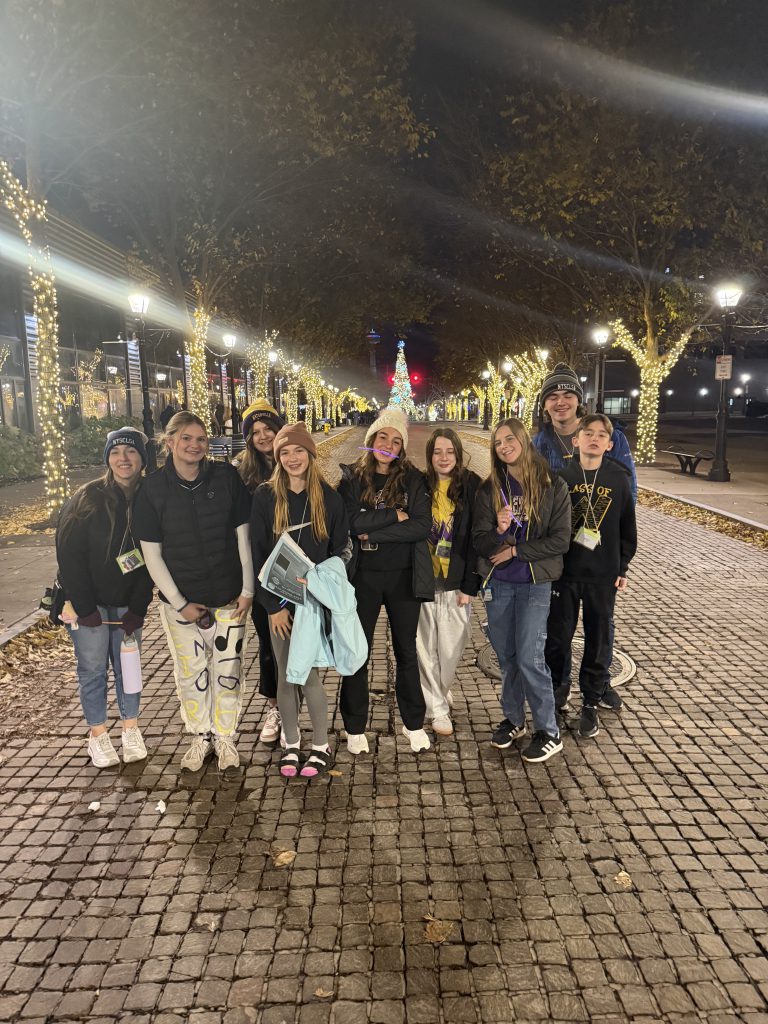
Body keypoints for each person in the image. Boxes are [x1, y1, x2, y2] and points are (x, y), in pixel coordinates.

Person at [133, 411, 254, 771]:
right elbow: (151, 554)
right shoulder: (152, 489)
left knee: (228, 668)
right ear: (169, 442)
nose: (194, 445)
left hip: (229, 596)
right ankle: (200, 735)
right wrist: (179, 602)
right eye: (186, 438)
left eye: (201, 438)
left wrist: (247, 589)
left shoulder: (225, 476)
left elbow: (243, 535)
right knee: (191, 671)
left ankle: (225, 735)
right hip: (181, 605)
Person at [250, 422, 350, 777]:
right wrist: (273, 608)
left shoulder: (329, 498)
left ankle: (320, 746)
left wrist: (323, 586)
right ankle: (291, 744)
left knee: (309, 676)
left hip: (312, 606)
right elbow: (257, 555)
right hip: (278, 606)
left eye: (299, 451)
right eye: (285, 452)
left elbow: (341, 552)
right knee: (284, 676)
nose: (292, 458)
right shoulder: (265, 497)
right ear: (277, 457)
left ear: (310, 454)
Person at [472, 417, 571, 764]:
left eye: (509, 439)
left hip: (533, 583)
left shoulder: (551, 485)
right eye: (498, 442)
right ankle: (514, 720)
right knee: (507, 658)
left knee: (530, 656)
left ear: (524, 441)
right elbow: (479, 540)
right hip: (498, 585)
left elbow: (560, 540)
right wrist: (498, 532)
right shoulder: (490, 489)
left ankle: (548, 730)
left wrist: (515, 550)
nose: (504, 446)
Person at [338, 406, 434, 755]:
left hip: (402, 577)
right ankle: (353, 724)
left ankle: (413, 722)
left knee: (406, 650)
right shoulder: (351, 478)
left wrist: (373, 528)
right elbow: (349, 522)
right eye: (383, 437)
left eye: (396, 441)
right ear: (371, 439)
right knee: (357, 651)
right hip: (362, 578)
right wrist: (394, 515)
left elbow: (422, 526)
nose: (388, 445)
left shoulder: (412, 479)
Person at [56, 427, 154, 768]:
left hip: (128, 603)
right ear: (107, 458)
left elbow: (153, 560)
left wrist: (139, 606)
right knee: (93, 670)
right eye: (116, 453)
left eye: (130, 452)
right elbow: (69, 557)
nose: (123, 459)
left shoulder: (150, 497)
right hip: (90, 606)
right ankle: (98, 734)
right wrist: (84, 607)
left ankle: (130, 728)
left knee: (129, 669)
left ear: (143, 459)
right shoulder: (87, 498)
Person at [545, 415, 637, 737]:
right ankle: (558, 691)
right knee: (558, 636)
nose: (594, 439)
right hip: (565, 573)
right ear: (576, 440)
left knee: (598, 638)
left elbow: (628, 528)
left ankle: (591, 698)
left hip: (602, 575)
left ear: (610, 444)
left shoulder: (619, 478)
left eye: (601, 435)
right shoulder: (561, 477)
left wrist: (622, 566)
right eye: (588, 433)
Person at [416, 428, 481, 737]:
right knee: (425, 648)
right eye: (437, 451)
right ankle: (437, 708)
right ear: (430, 456)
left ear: (457, 454)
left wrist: (471, 584)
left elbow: (477, 541)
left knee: (452, 648)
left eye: (449, 451)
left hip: (456, 580)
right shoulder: (418, 484)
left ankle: (442, 687)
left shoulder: (473, 486)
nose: (443, 457)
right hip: (423, 579)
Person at [235, 399, 286, 744]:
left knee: (298, 641)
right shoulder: (241, 474)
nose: (263, 436)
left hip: (296, 568)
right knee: (268, 642)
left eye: (269, 429)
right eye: (256, 432)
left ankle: (295, 704)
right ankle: (275, 707)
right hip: (259, 568)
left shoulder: (296, 462)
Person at [532, 364, 637, 500]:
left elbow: (628, 490)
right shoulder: (537, 445)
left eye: (568, 396)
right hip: (558, 520)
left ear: (578, 401)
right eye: (552, 397)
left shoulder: (613, 437)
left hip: (602, 518)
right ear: (544, 405)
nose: (560, 402)